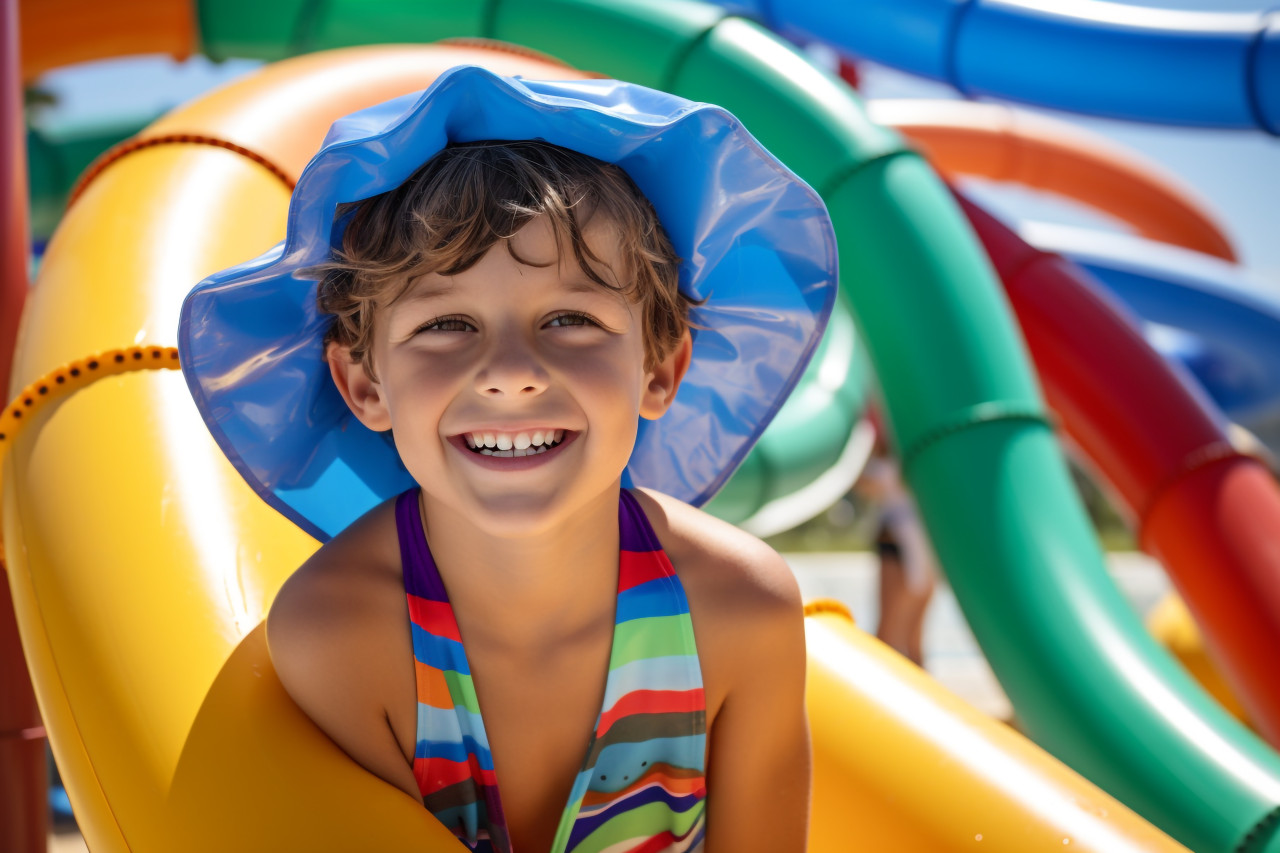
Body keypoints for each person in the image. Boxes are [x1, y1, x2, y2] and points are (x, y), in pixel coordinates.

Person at [177, 66, 839, 853]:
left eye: (568, 317)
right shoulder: (345, 632)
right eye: (447, 325)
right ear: (364, 384)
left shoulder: (737, 611)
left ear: (660, 369)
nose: (510, 369)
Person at [854, 418, 938, 667]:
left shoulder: (915, 446)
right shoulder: (912, 445)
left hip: (914, 542)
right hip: (914, 541)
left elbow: (868, 483)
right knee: (899, 637)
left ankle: (918, 697)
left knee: (901, 637)